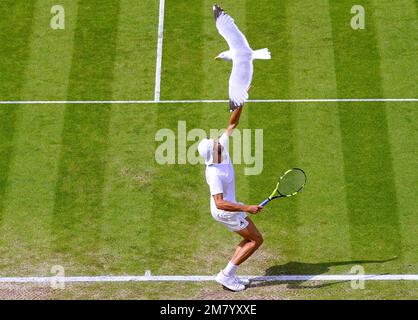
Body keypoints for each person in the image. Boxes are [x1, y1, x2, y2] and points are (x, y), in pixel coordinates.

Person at [197, 104, 263, 292]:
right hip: (225, 211)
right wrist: (246, 208)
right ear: (214, 152)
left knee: (250, 238)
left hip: (230, 208)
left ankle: (229, 273)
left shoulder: (220, 151)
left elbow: (232, 124)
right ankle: (226, 275)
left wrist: (240, 102)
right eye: (215, 143)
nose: (218, 141)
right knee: (256, 240)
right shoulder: (214, 174)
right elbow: (219, 203)